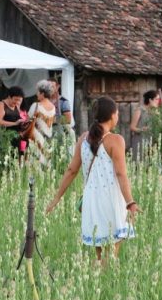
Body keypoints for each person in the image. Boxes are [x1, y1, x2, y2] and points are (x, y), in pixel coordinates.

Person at [46, 96, 139, 265]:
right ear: (112, 115)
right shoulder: (115, 140)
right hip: (110, 199)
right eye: (117, 113)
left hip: (91, 200)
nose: (117, 117)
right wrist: (130, 202)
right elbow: (121, 174)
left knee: (100, 254)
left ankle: (97, 284)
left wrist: (57, 198)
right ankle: (104, 285)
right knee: (111, 254)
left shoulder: (83, 139)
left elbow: (71, 170)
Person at [27, 80, 57, 166]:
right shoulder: (53, 107)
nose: (37, 94)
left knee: (35, 164)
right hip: (48, 139)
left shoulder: (36, 106)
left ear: (42, 94)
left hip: (36, 138)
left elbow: (28, 121)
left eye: (38, 92)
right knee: (46, 165)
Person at [129, 89, 161, 160]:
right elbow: (132, 127)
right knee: (139, 164)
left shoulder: (154, 112)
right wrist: (141, 130)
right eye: (156, 99)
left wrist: (158, 117)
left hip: (150, 142)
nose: (158, 101)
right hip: (139, 142)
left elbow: (159, 128)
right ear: (150, 100)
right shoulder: (139, 110)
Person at [0, 86, 27, 157]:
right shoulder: (1, 105)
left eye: (19, 100)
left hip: (16, 137)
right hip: (5, 138)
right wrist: (15, 123)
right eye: (15, 99)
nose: (17, 102)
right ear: (9, 97)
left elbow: (17, 118)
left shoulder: (16, 106)